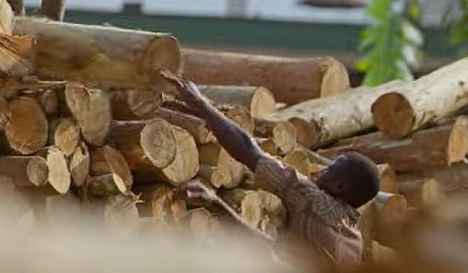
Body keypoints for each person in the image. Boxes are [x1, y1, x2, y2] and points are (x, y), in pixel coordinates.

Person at [161, 70, 379, 268]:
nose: (323, 168)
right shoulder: (354, 237)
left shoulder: (314, 203)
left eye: (333, 166)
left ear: (340, 186)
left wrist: (201, 104)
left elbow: (249, 151)